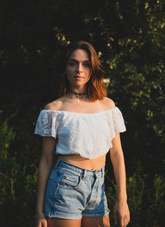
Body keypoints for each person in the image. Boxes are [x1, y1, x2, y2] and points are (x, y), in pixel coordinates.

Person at [34, 40, 130, 227]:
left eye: (86, 64)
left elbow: (117, 153)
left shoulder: (107, 106)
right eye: (73, 63)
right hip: (65, 187)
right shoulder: (54, 110)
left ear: (93, 68)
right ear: (65, 68)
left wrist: (122, 199)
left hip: (98, 186)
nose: (79, 69)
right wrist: (38, 212)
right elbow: (46, 160)